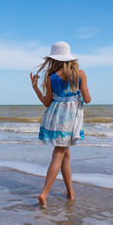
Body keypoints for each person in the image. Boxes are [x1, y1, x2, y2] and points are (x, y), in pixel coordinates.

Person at [30, 41, 91, 207]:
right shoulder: (80, 74)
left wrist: (35, 87)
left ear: (54, 59)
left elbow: (46, 102)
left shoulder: (51, 78)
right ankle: (44, 194)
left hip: (54, 117)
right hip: (70, 119)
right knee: (59, 153)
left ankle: (70, 193)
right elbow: (87, 99)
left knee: (65, 154)